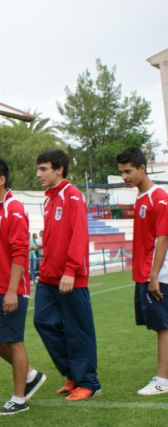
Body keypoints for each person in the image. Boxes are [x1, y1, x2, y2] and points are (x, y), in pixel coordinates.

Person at [0, 156, 46, 416]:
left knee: (14, 341)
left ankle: (19, 399)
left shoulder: (13, 208)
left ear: (1, 180)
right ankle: (29, 374)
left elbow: (20, 252)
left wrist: (11, 290)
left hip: (10, 288)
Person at [34, 149, 101, 401]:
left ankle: (88, 383)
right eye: (38, 169)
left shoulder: (72, 195)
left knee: (78, 330)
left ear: (59, 169)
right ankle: (73, 373)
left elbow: (79, 234)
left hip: (70, 277)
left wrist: (71, 270)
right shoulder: (49, 199)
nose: (38, 174)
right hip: (48, 277)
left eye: (44, 169)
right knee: (43, 322)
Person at [117, 147, 168, 396]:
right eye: (121, 172)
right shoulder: (140, 198)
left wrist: (154, 276)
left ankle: (162, 379)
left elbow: (163, 238)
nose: (124, 176)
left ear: (142, 169)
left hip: (158, 274)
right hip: (146, 272)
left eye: (128, 171)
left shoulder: (158, 197)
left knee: (163, 326)